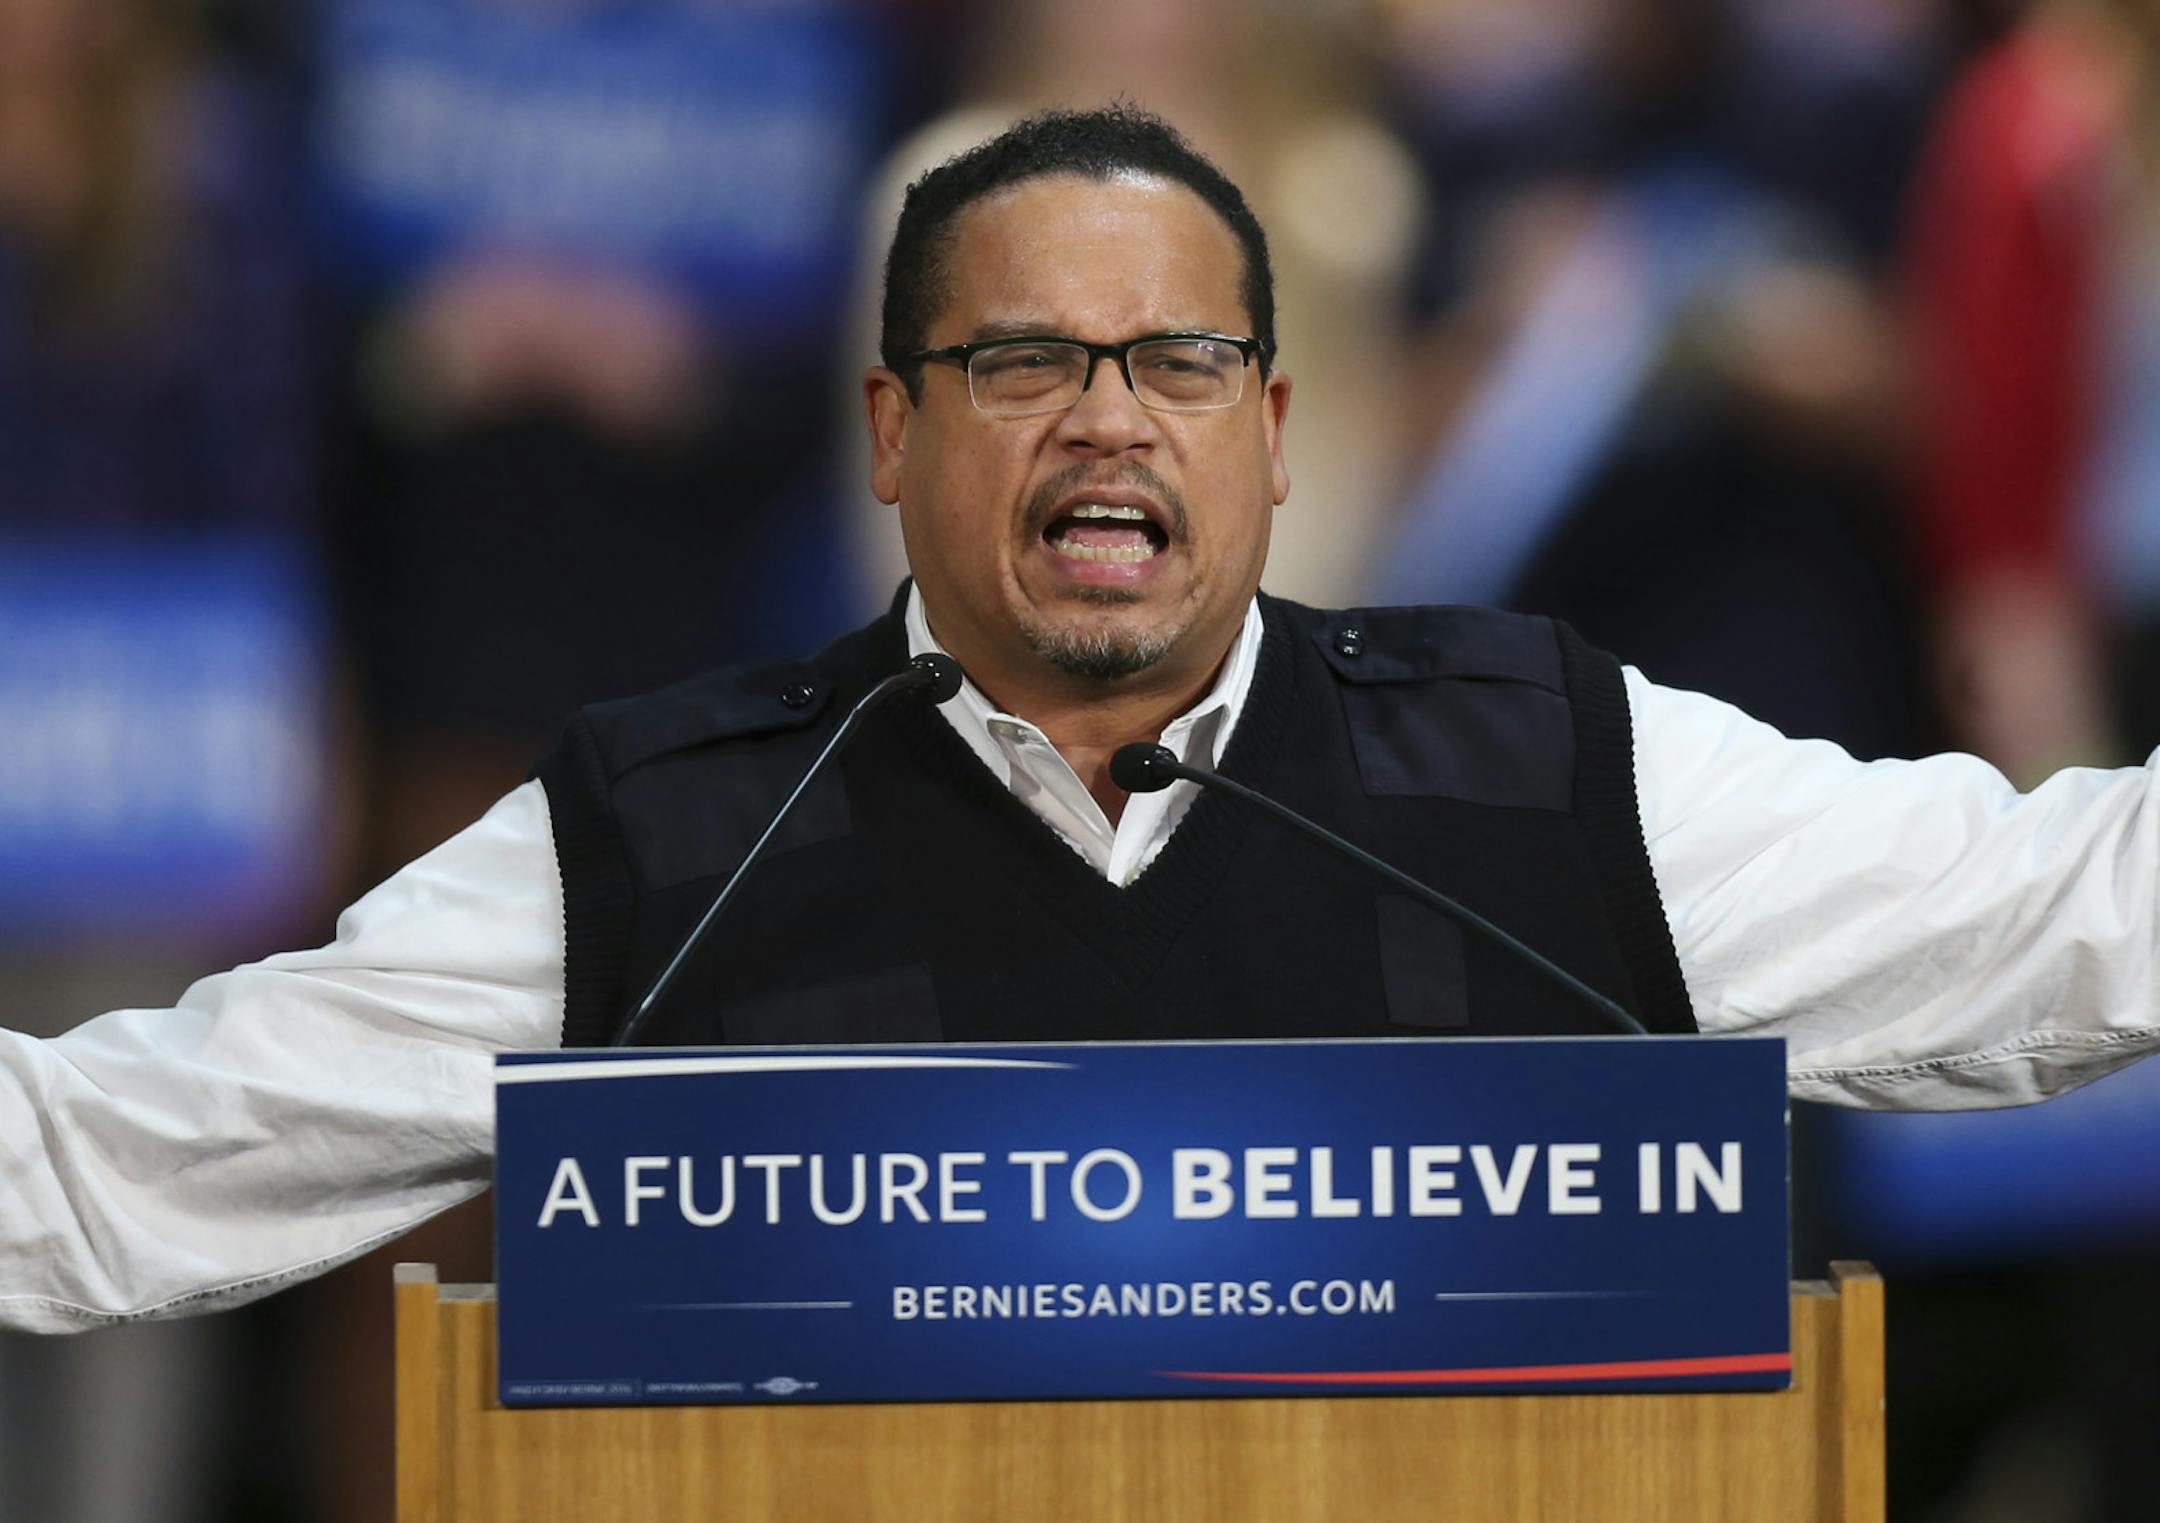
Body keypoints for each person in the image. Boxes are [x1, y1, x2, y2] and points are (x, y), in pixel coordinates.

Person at [4, 106, 2157, 1336]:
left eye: (1182, 365)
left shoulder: (1548, 767)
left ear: (1277, 436)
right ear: (889, 433)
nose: (1108, 421)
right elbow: (129, 1157)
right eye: (1022, 362)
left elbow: (2054, 913)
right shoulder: (662, 840)